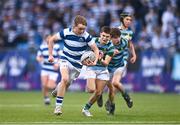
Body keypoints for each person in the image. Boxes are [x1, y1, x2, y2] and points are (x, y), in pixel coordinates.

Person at [48, 15, 99, 116]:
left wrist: (95, 61)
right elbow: (51, 40)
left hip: (78, 65)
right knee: (65, 79)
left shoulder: (86, 36)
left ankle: (57, 90)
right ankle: (58, 108)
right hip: (65, 59)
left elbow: (96, 49)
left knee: (65, 84)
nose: (82, 31)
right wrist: (50, 55)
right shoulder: (66, 32)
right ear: (74, 26)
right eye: (80, 28)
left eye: (84, 29)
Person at [82, 26, 114, 117]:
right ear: (100, 34)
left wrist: (100, 59)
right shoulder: (93, 41)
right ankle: (96, 94)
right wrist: (85, 60)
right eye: (103, 35)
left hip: (102, 70)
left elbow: (106, 63)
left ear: (110, 37)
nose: (105, 38)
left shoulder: (111, 47)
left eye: (107, 37)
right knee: (91, 89)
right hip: (92, 68)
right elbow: (85, 53)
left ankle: (85, 109)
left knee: (98, 92)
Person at [105, 28, 134, 115]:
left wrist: (134, 55)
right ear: (110, 37)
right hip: (108, 67)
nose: (117, 40)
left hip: (119, 65)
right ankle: (111, 104)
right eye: (115, 38)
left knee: (115, 83)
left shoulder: (124, 41)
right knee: (110, 89)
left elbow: (130, 45)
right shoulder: (106, 43)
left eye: (118, 37)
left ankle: (126, 97)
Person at [36, 35, 61, 105]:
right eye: (48, 38)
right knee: (44, 85)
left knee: (50, 86)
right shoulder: (42, 47)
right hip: (45, 69)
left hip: (53, 69)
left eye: (51, 38)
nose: (49, 39)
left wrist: (57, 64)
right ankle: (46, 98)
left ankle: (59, 88)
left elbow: (61, 57)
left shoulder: (56, 46)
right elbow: (38, 57)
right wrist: (42, 59)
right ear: (45, 39)